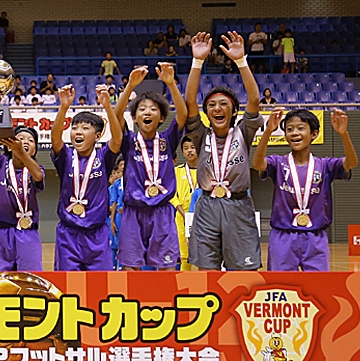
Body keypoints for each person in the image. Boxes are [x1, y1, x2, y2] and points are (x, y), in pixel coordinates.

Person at [184, 31, 264, 271]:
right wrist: (198, 62)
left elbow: (254, 98)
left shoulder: (244, 131)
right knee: (207, 272)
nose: (217, 108)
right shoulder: (200, 134)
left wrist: (241, 61)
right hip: (207, 205)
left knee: (243, 273)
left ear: (233, 111)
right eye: (211, 105)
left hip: (238, 206)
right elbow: (189, 101)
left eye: (223, 104)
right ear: (207, 112)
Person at [252, 108, 357, 271]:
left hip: (315, 237)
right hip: (282, 236)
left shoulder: (325, 165)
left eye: (300, 128)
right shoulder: (278, 163)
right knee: (283, 287)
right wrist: (268, 131)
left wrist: (343, 134)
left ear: (314, 134)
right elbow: (257, 164)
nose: (294, 133)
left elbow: (351, 163)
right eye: (289, 129)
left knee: (318, 288)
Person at [113, 63, 187, 271]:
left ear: (161, 118)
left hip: (162, 212)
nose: (147, 112)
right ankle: (133, 304)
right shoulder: (128, 141)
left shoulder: (167, 140)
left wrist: (171, 84)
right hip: (133, 212)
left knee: (167, 268)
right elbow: (117, 116)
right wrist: (129, 87)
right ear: (135, 118)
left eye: (153, 109)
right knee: (131, 269)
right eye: (142, 109)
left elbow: (182, 115)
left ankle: (166, 304)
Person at [51, 84, 122, 271]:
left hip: (97, 232)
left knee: (99, 285)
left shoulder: (103, 157)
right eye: (74, 128)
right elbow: (55, 139)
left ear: (98, 136)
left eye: (85, 128)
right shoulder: (66, 156)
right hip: (68, 232)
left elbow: (117, 139)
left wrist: (108, 107)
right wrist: (64, 107)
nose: (78, 132)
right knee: (68, 286)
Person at [0, 127, 45, 271]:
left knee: (30, 279)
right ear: (9, 147)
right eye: (20, 139)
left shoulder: (36, 168)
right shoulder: (0, 163)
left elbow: (38, 177)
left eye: (30, 140)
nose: (24, 142)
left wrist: (21, 152)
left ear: (34, 150)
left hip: (27, 231)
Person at [171, 136, 198, 271]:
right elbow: (172, 195)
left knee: (205, 255)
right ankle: (183, 286)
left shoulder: (207, 171)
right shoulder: (177, 171)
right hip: (181, 218)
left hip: (203, 217)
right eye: (186, 148)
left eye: (193, 147)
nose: (190, 151)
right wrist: (182, 211)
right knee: (184, 256)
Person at [108, 156, 125, 270]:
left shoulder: (135, 180)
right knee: (117, 244)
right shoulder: (117, 184)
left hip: (132, 216)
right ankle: (115, 268)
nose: (123, 167)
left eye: (125, 164)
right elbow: (113, 202)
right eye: (121, 164)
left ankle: (126, 268)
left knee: (128, 245)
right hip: (119, 217)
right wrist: (112, 221)